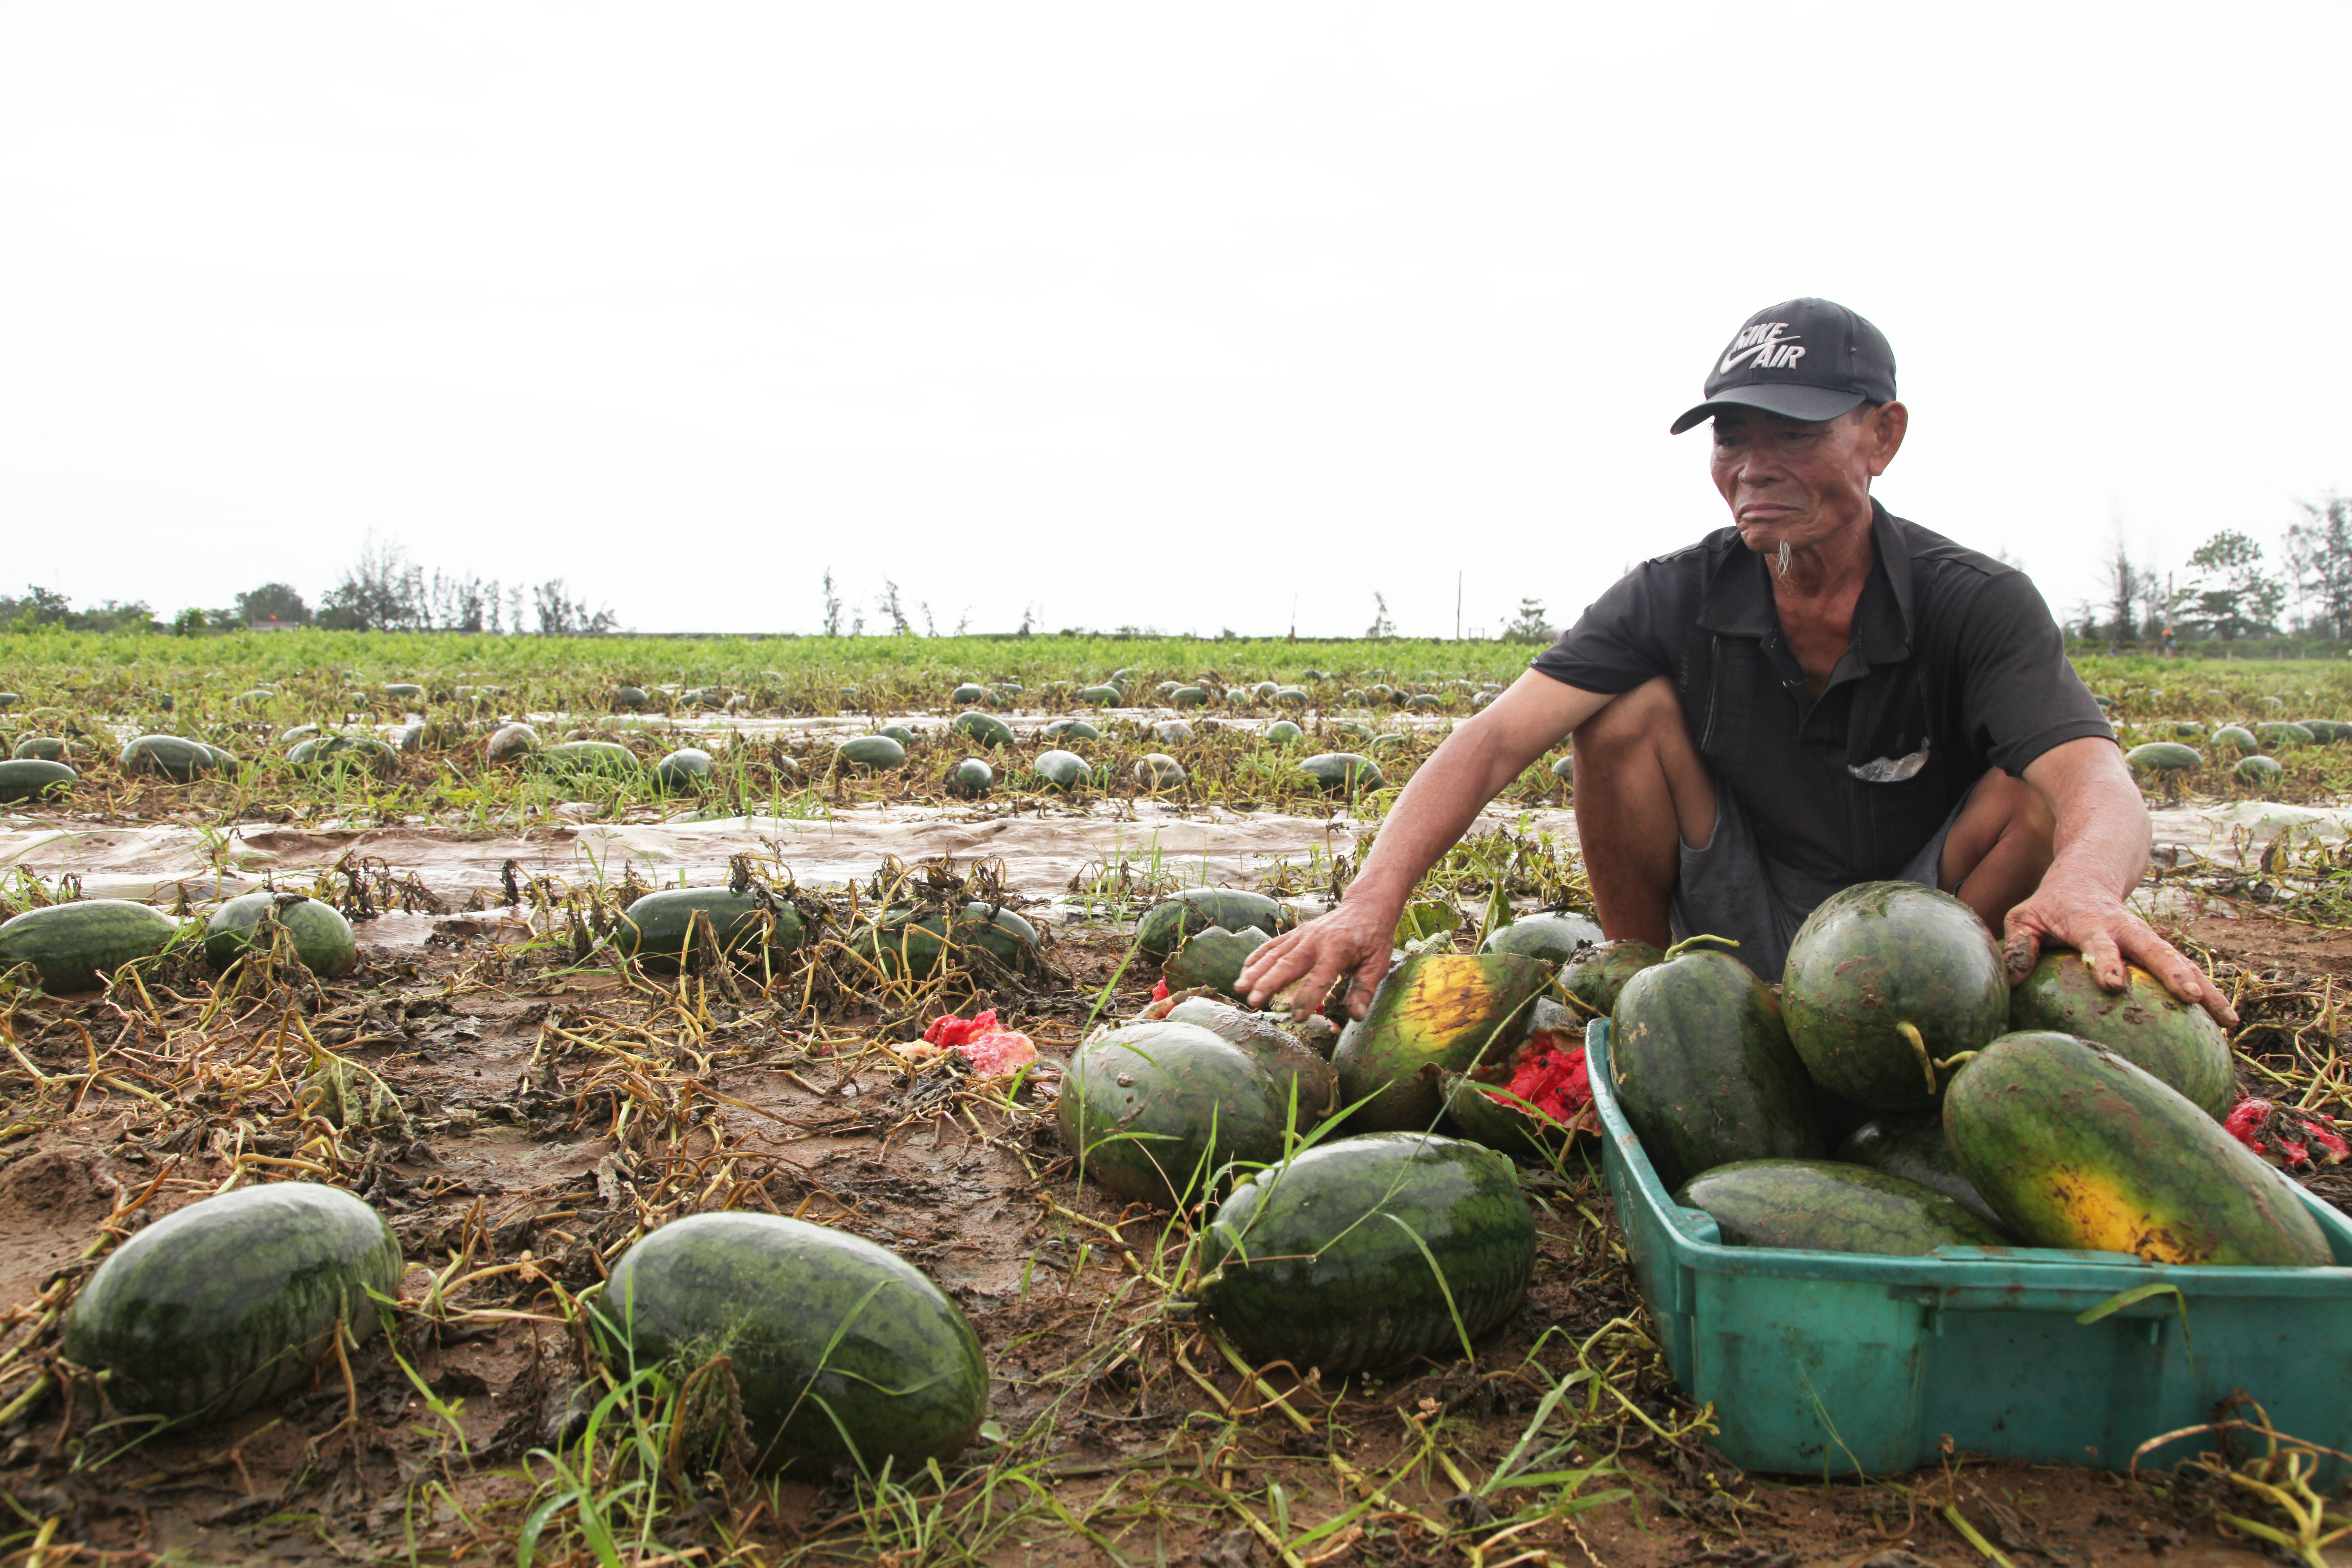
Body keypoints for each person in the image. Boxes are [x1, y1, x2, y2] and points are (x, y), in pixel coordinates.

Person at [1239, 297, 2234, 1028]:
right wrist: (1372, 898)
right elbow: (1496, 740)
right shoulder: (1673, 591)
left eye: (1795, 433)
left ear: (1882, 435)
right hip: (1739, 909)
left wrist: (2091, 885)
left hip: (1927, 917)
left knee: (2034, 789)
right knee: (1621, 716)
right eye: (1733, 433)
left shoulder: (1971, 598)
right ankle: (1650, 996)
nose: (1755, 464)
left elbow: (2093, 776)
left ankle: (1944, 1017)